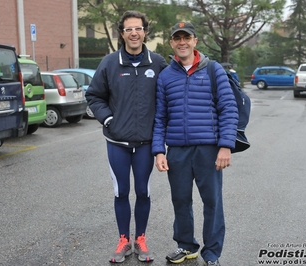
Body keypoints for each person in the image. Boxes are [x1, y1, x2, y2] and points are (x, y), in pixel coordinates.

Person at [152, 22, 239, 266]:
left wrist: (225, 146)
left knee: (212, 202)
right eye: (177, 38)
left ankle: (211, 255)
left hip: (209, 150)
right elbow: (160, 117)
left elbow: (228, 108)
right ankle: (186, 246)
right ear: (171, 43)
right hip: (177, 150)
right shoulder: (166, 76)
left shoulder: (213, 69)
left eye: (186, 37)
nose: (182, 42)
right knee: (180, 200)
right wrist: (159, 150)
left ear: (195, 41)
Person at [85, 10, 168, 263]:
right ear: (122, 34)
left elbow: (169, 95)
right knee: (121, 192)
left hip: (146, 143)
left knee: (143, 191)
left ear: (145, 32)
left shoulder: (158, 63)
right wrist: (108, 119)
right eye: (129, 29)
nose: (134, 33)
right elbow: (94, 96)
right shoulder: (110, 63)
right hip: (117, 142)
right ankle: (123, 239)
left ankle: (140, 239)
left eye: (139, 28)